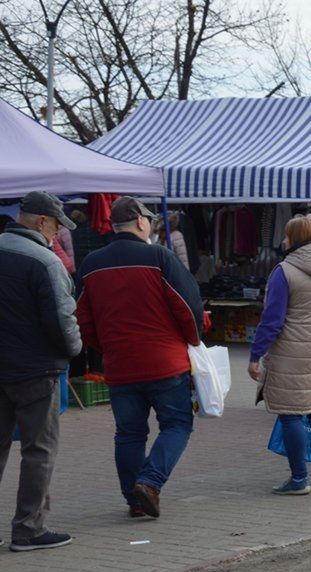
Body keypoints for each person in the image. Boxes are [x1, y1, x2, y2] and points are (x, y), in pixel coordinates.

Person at [76, 196, 205, 520]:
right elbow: (188, 307)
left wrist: (106, 348)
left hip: (119, 364)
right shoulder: (159, 256)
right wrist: (194, 340)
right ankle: (149, 483)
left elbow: (83, 319)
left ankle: (134, 499)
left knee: (129, 433)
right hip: (164, 361)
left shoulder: (92, 263)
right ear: (140, 222)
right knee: (177, 424)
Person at [0, 192, 81, 551]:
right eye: (58, 226)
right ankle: (28, 529)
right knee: (39, 450)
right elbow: (62, 320)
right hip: (35, 369)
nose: (58, 234)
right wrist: (74, 350)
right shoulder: (45, 261)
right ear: (41, 221)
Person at [249, 217, 311, 495]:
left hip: (290, 353)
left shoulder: (284, 271)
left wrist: (255, 354)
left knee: (290, 415)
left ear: (295, 238)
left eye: (287, 236)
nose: (283, 241)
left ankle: (299, 479)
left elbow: (272, 320)